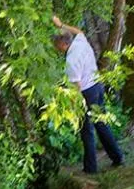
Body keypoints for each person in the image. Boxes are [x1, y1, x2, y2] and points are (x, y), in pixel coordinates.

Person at [52, 14, 124, 174]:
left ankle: (90, 169)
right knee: (101, 123)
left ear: (63, 44)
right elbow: (78, 31)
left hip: (86, 92)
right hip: (97, 86)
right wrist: (60, 24)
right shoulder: (80, 42)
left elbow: (76, 87)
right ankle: (117, 157)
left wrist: (74, 105)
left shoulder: (71, 60)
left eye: (57, 46)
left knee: (87, 131)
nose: (57, 49)